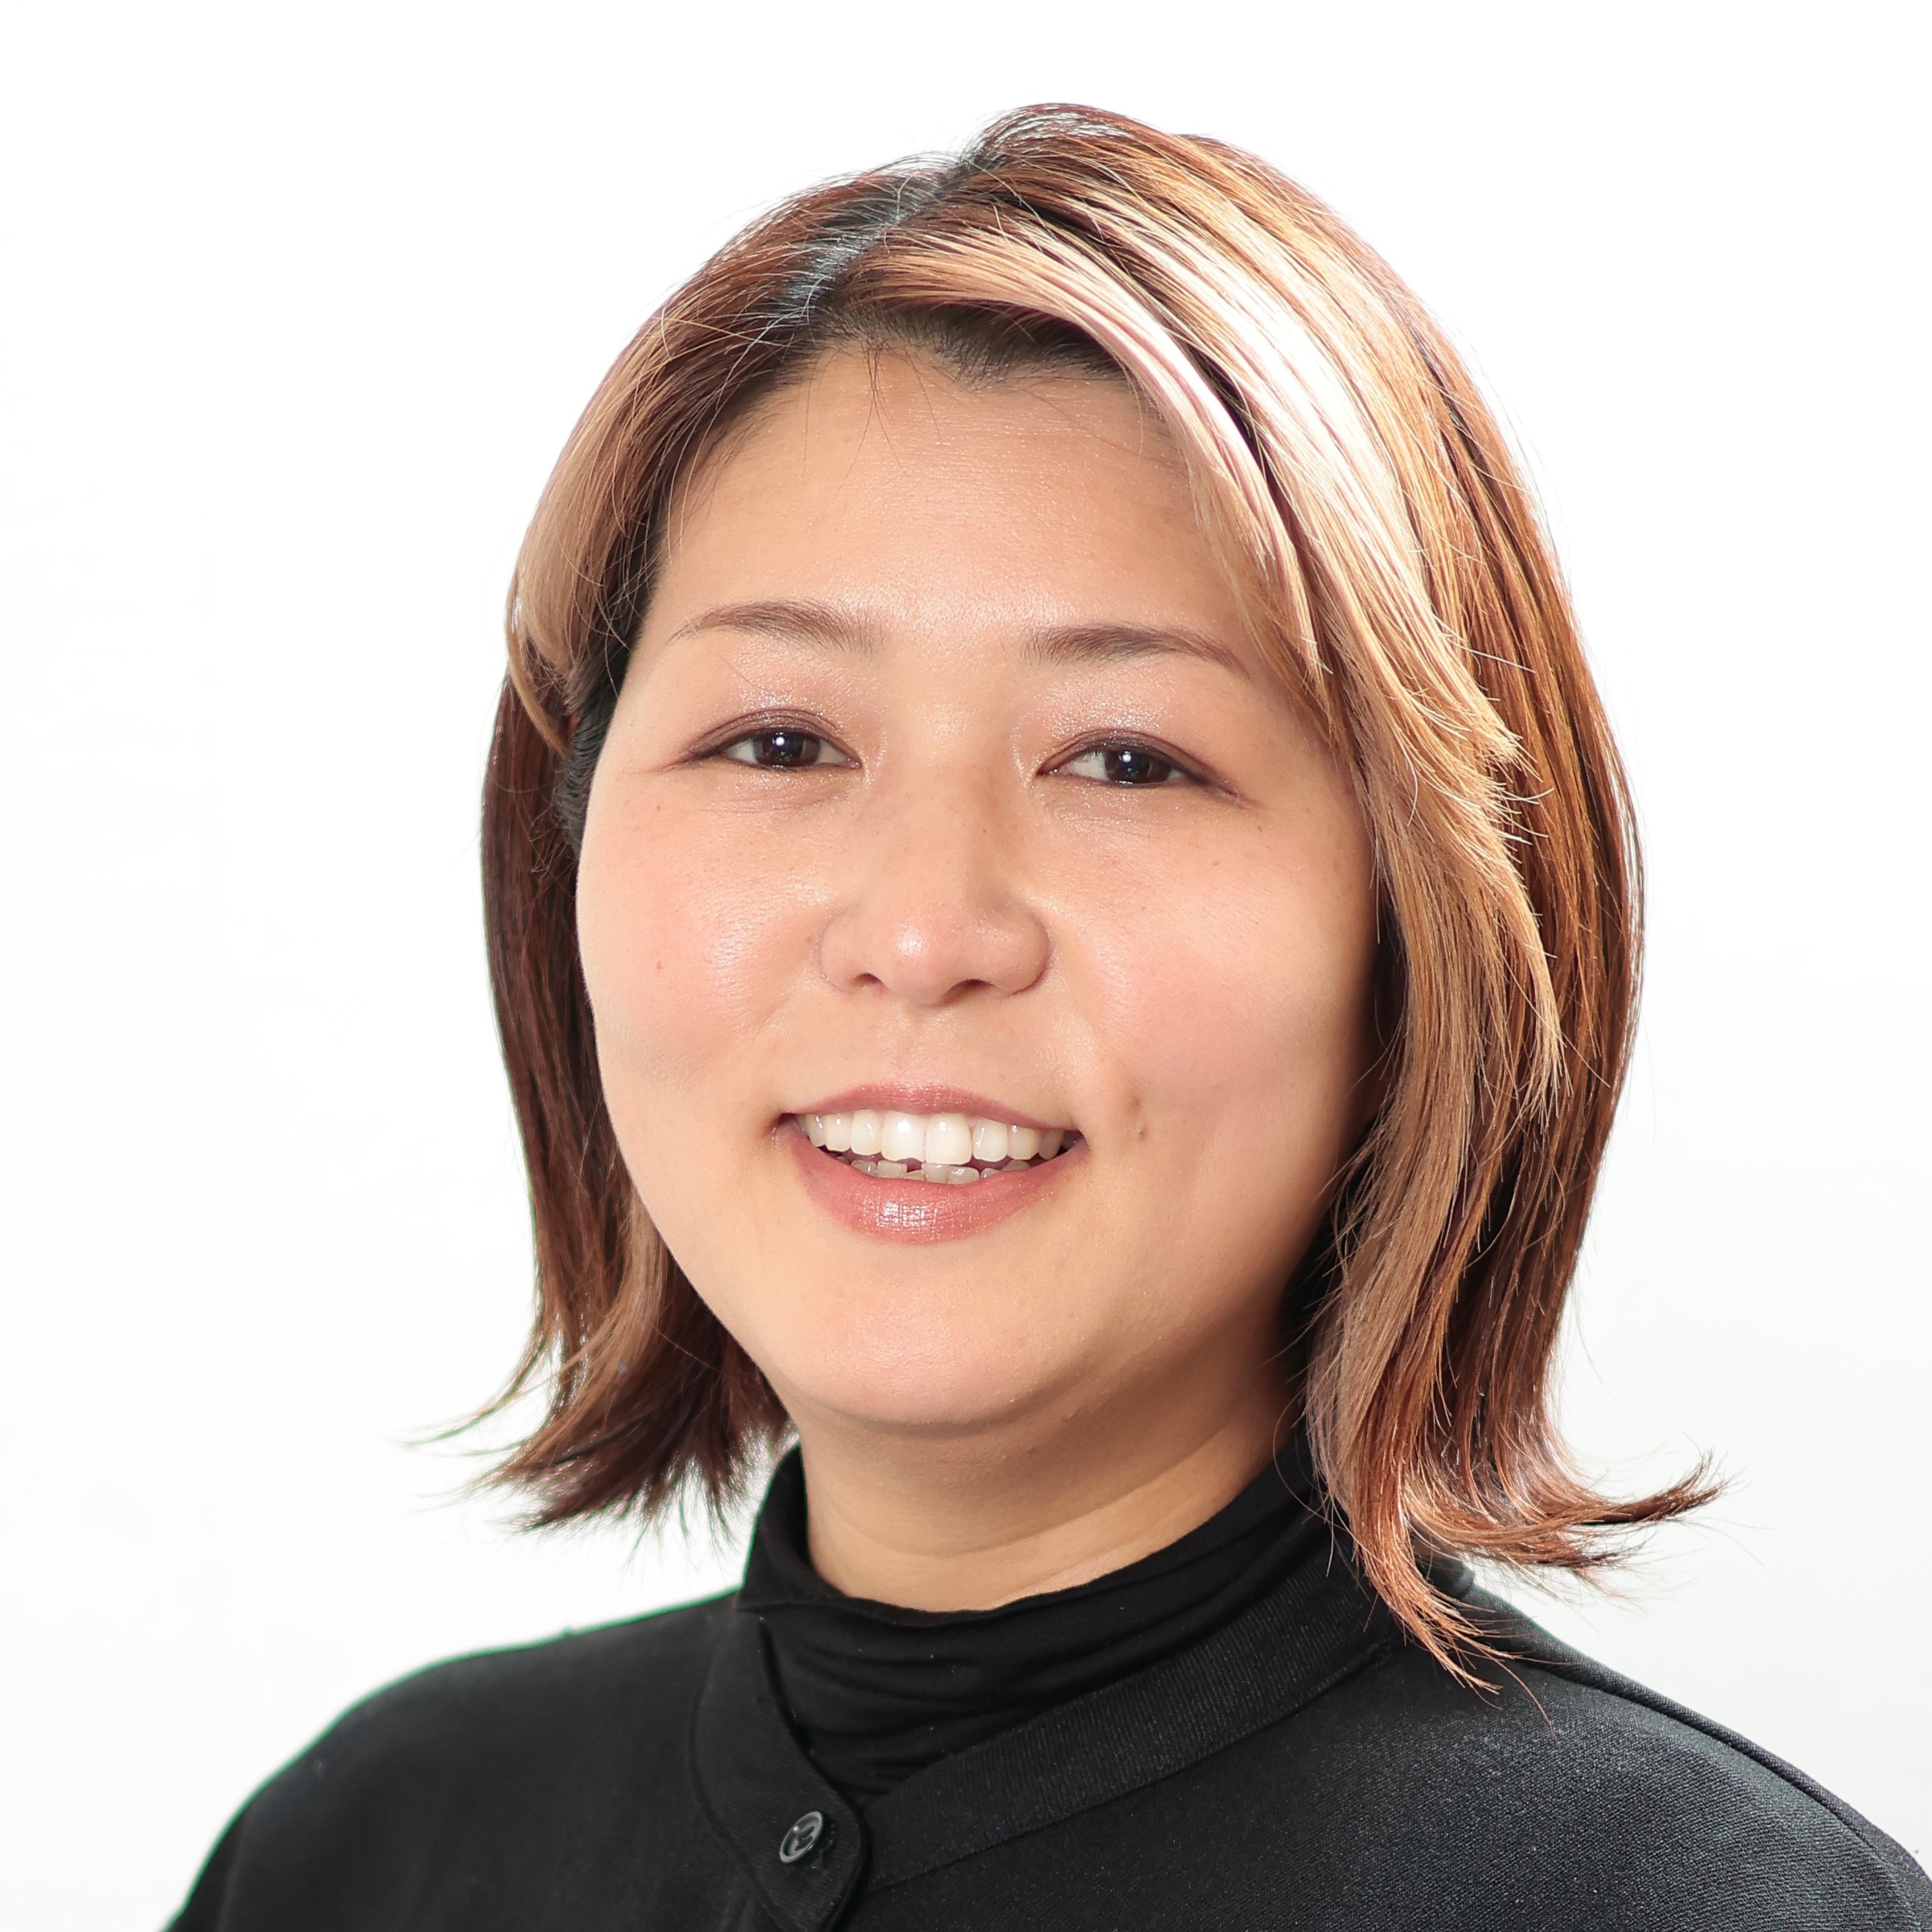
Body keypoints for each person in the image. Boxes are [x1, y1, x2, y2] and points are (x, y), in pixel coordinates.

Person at [170, 106, 1930, 1931]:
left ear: (1421, 933)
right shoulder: (365, 1858)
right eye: (779, 740)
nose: (923, 933)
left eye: (1127, 760)